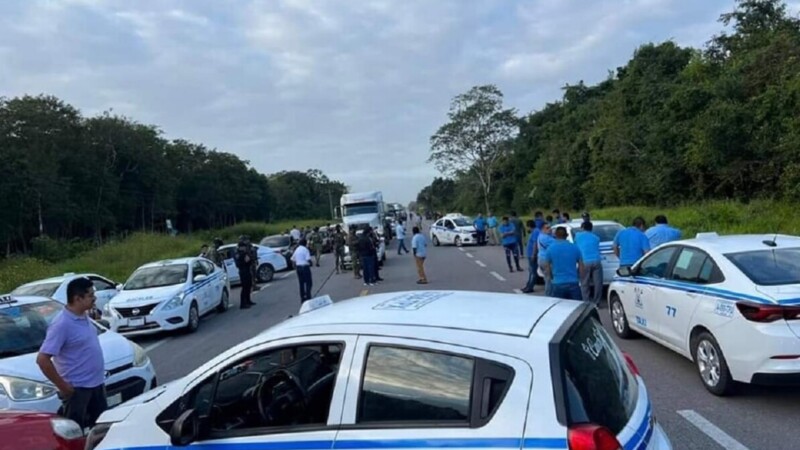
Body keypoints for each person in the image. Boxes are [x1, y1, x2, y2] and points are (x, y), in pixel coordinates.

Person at [37, 277, 107, 430]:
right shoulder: (62, 324)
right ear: (77, 298)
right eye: (90, 295)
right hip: (78, 389)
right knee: (75, 432)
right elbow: (43, 359)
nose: (94, 298)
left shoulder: (83, 317)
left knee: (101, 430)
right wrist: (64, 387)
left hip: (96, 384)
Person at [541, 227, 583, 300]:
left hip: (557, 282)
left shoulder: (550, 248)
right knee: (576, 308)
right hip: (573, 282)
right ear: (566, 235)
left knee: (560, 308)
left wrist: (551, 277)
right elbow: (582, 265)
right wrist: (579, 277)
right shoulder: (575, 247)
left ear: (555, 235)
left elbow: (546, 266)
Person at [575, 221, 603, 305]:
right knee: (598, 283)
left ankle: (586, 302)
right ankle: (597, 302)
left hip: (584, 262)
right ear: (591, 228)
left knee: (584, 283)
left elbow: (576, 247)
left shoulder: (577, 236)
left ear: (582, 228)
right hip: (597, 261)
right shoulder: (596, 237)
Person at [234, 239, 256, 308]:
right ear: (240, 247)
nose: (244, 248)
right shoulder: (238, 254)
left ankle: (248, 300)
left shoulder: (246, 253)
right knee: (244, 287)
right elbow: (238, 264)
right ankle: (243, 303)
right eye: (243, 246)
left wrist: (249, 260)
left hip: (247, 270)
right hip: (243, 271)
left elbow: (251, 260)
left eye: (245, 246)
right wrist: (245, 261)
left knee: (249, 286)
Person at [522, 219, 540, 293]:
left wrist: (533, 254)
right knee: (531, 271)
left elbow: (535, 244)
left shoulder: (536, 232)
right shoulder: (534, 232)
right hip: (530, 254)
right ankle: (528, 285)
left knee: (533, 271)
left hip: (532, 255)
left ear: (529, 226)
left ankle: (530, 287)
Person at [537, 222, 555, 296]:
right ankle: (548, 296)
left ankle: (549, 295)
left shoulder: (543, 236)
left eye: (550, 227)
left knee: (548, 279)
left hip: (542, 259)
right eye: (547, 228)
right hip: (546, 261)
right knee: (549, 280)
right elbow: (557, 243)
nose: (550, 229)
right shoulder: (545, 238)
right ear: (542, 229)